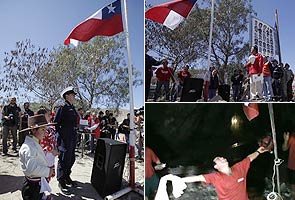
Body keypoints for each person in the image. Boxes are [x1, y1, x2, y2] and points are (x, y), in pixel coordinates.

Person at [182, 146, 269, 200]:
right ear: (216, 167)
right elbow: (198, 177)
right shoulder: (217, 177)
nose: (222, 158)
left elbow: (249, 158)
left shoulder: (239, 168)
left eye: (221, 157)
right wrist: (178, 179)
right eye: (219, 159)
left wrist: (258, 151)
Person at [19, 114, 55, 200]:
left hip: (36, 184)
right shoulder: (29, 147)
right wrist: (48, 171)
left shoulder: (34, 143)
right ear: (33, 130)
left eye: (46, 129)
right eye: (43, 129)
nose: (45, 132)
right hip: (31, 188)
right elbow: (31, 169)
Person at [54, 86, 79, 192]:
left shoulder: (72, 108)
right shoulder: (62, 107)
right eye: (72, 95)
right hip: (64, 138)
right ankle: (61, 180)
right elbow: (56, 123)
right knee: (63, 159)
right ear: (67, 96)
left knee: (71, 158)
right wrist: (60, 136)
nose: (74, 96)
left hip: (72, 137)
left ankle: (67, 176)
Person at [37, 107, 59, 183]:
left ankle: (45, 189)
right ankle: (41, 192)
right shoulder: (40, 128)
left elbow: (54, 139)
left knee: (49, 172)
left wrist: (55, 148)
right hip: (45, 154)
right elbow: (43, 142)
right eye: (47, 115)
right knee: (43, 174)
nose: (50, 116)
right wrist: (52, 150)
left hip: (51, 154)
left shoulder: (50, 126)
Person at [282, 132, 295, 199]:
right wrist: (286, 140)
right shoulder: (292, 136)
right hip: (292, 165)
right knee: (292, 184)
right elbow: (284, 148)